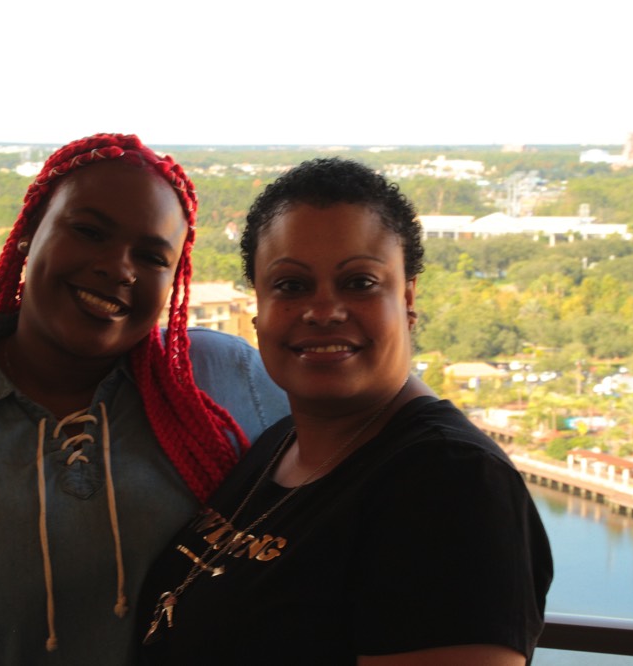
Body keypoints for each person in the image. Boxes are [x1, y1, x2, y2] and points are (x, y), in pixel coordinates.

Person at [0, 133, 288, 666]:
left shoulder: (225, 378)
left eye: (152, 256)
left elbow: (364, 463)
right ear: (28, 233)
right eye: (89, 232)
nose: (119, 267)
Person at [138, 158, 553, 665]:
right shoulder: (281, 445)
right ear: (258, 310)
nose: (324, 310)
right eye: (291, 285)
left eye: (359, 282)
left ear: (408, 298)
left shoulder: (451, 483)